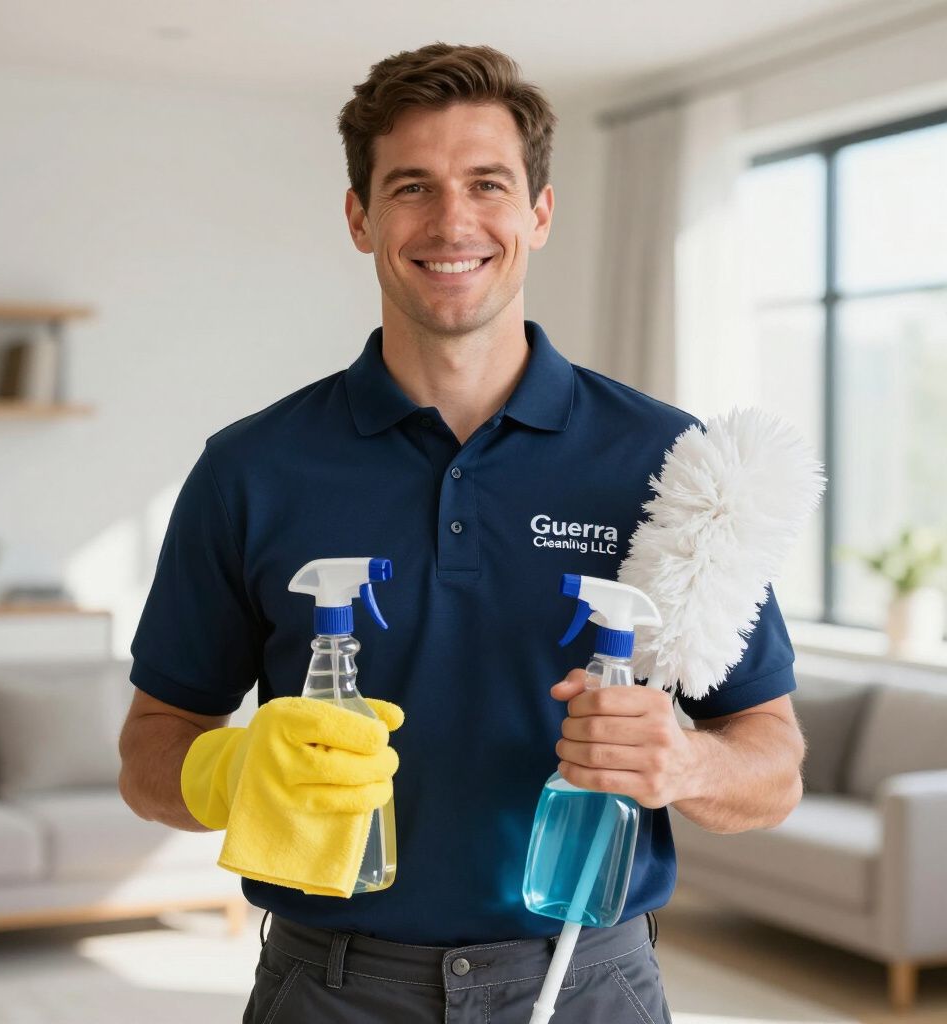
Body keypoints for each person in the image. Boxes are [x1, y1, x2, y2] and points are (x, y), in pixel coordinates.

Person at [119, 41, 806, 1024]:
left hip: (590, 986)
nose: (452, 221)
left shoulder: (671, 461)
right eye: (411, 187)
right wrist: (230, 772)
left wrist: (687, 764)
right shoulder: (250, 469)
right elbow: (148, 752)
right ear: (359, 217)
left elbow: (772, 763)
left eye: (488, 183)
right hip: (331, 989)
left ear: (539, 211)